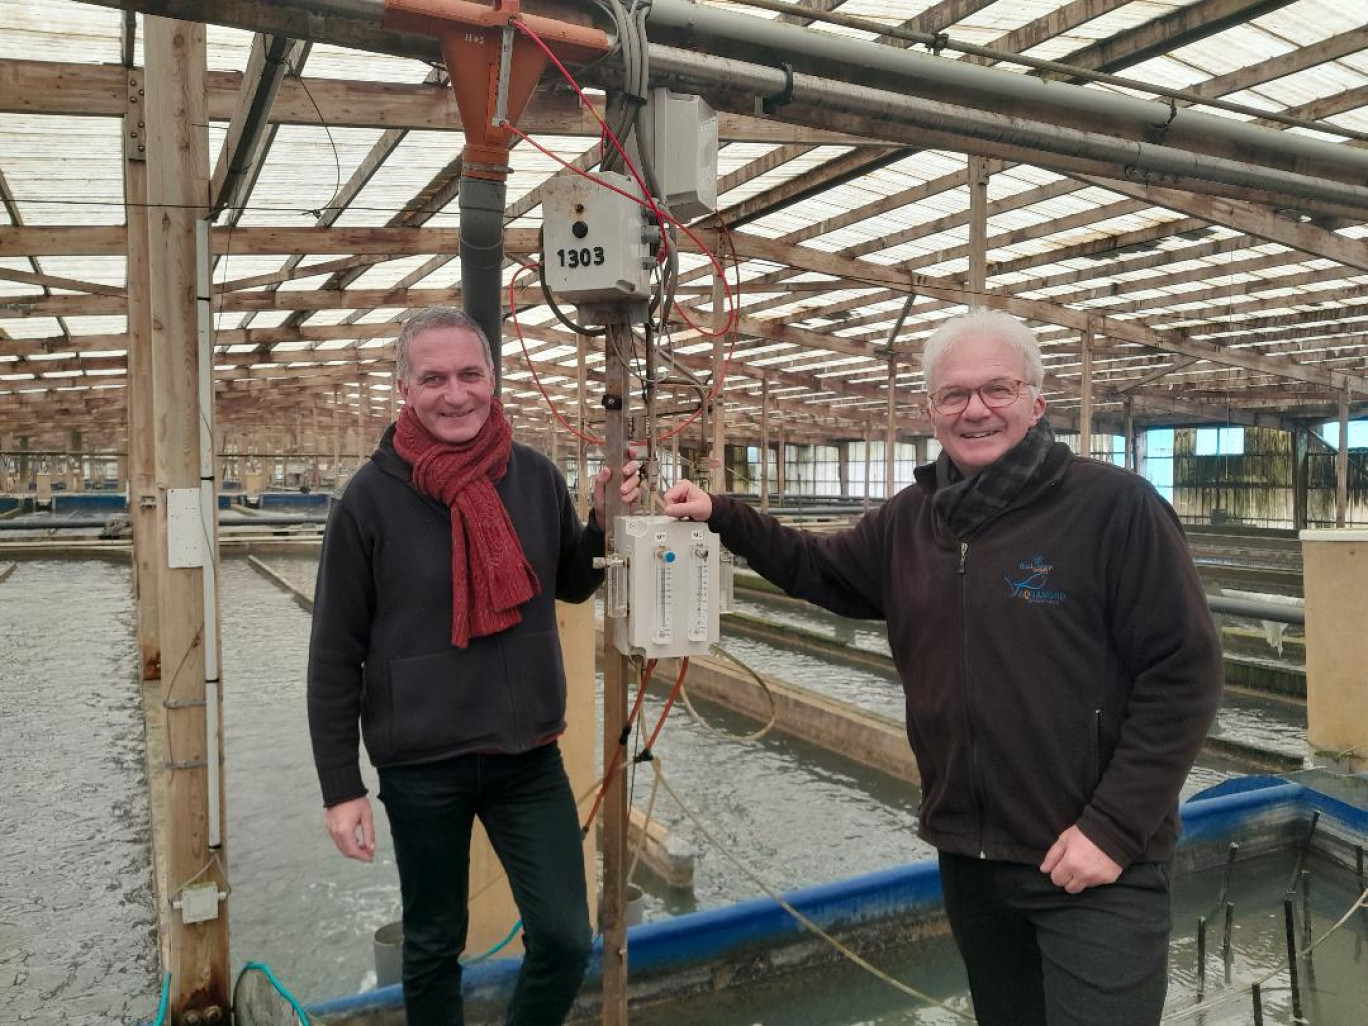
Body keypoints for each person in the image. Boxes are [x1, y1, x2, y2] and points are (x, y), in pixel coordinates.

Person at [662, 308, 1222, 1025]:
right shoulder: (911, 519)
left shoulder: (1115, 508)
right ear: (930, 412)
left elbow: (1186, 674)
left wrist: (1113, 829)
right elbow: (818, 568)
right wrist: (723, 514)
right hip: (972, 860)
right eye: (954, 395)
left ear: (1035, 402)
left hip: (1090, 866)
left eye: (998, 389)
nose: (976, 410)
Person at [307, 305, 639, 1026]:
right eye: (433, 378)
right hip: (422, 765)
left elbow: (573, 581)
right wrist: (342, 788)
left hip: (527, 757)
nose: (454, 394)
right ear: (404, 388)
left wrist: (603, 521)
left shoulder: (534, 476)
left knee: (563, 935)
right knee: (432, 943)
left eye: (468, 374)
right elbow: (334, 653)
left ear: (493, 378)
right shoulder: (368, 500)